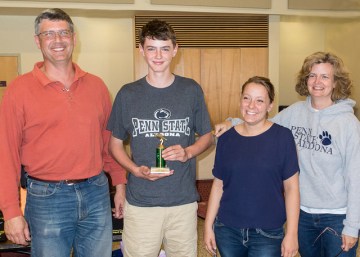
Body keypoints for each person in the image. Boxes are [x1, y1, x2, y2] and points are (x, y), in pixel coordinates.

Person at [0, 8, 127, 257]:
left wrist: (120, 185)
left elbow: (108, 143)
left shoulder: (97, 86)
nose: (58, 40)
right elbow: (6, 154)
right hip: (46, 198)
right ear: (38, 41)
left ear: (74, 38)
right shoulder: (19, 90)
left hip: (96, 191)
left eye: (64, 33)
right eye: (49, 34)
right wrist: (11, 211)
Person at [215, 52, 360, 257]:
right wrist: (232, 122)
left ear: (336, 82)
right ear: (306, 80)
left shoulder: (348, 124)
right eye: (312, 75)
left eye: (325, 76)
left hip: (336, 216)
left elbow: (356, 178)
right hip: (302, 215)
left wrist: (352, 226)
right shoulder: (295, 112)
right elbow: (262, 124)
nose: (317, 82)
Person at [107, 19, 213, 257]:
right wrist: (134, 170)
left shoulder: (190, 90)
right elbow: (114, 144)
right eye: (151, 48)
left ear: (175, 50)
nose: (158, 55)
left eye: (164, 48)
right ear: (141, 50)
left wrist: (188, 152)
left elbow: (207, 135)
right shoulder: (128, 94)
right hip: (142, 203)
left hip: (183, 203)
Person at [204, 76, 300, 257]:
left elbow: (292, 188)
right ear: (240, 99)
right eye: (247, 98)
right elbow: (218, 185)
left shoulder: (283, 138)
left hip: (268, 233)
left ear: (270, 106)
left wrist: (292, 234)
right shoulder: (226, 139)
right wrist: (208, 226)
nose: (251, 106)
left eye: (260, 100)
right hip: (227, 230)